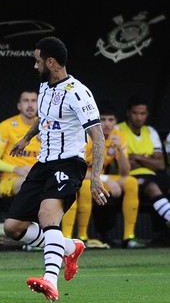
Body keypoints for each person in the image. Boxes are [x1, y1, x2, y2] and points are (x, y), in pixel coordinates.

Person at [3, 36, 108, 302]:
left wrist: (94, 177)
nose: (35, 65)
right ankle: (69, 247)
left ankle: (50, 280)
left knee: (47, 213)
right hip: (43, 163)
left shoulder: (78, 92)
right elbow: (46, 118)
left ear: (51, 62)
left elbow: (97, 135)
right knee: (12, 228)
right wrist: (26, 138)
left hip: (69, 164)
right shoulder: (46, 87)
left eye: (38, 61)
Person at [61, 104, 144, 249]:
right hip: (78, 177)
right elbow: (75, 169)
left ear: (115, 121)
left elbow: (125, 172)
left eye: (111, 120)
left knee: (131, 182)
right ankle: (81, 237)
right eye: (103, 119)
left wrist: (120, 151)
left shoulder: (118, 137)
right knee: (86, 186)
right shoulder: (85, 135)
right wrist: (105, 179)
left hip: (98, 178)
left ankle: (129, 237)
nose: (106, 124)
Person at [118, 95, 170, 245]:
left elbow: (160, 164)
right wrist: (148, 159)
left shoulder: (150, 131)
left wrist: (138, 158)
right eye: (135, 113)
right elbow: (125, 165)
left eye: (142, 113)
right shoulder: (118, 130)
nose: (139, 117)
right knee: (152, 188)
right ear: (128, 113)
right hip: (129, 178)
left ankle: (164, 233)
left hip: (153, 175)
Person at [0, 90, 39, 199]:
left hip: (40, 175)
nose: (30, 105)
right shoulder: (5, 127)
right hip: (13, 178)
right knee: (31, 184)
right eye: (26, 101)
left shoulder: (47, 125)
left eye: (34, 101)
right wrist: (16, 169)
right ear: (19, 106)